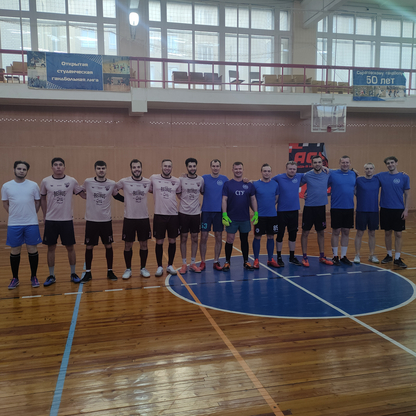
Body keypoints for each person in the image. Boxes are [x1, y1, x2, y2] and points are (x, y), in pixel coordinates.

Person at [40, 157, 84, 286]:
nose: (58, 166)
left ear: (64, 167)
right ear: (52, 167)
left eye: (60, 164)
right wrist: (45, 215)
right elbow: (42, 198)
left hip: (66, 220)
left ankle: (73, 273)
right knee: (51, 247)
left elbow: (83, 195)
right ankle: (51, 275)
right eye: (56, 164)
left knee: (70, 247)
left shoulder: (72, 181)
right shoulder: (45, 181)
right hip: (51, 220)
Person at [2, 161, 42, 289]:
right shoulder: (6, 186)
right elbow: (5, 203)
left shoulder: (33, 185)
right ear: (14, 169)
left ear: (26, 171)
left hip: (31, 223)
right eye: (19, 168)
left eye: (24, 169)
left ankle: (34, 276)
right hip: (14, 224)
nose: (21, 171)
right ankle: (15, 278)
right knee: (15, 250)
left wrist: (31, 214)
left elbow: (38, 202)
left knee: (32, 249)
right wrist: (14, 214)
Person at [116, 159, 152, 279]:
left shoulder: (148, 182)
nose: (136, 169)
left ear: (141, 168)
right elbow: (113, 191)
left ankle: (143, 268)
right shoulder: (124, 181)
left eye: (138, 167)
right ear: (131, 169)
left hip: (144, 218)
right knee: (128, 244)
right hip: (129, 218)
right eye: (134, 167)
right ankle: (128, 269)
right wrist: (124, 200)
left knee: (144, 244)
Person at [222, 162, 258, 271]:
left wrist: (256, 212)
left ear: (243, 170)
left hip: (245, 218)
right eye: (236, 169)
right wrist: (224, 214)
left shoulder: (249, 184)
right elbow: (224, 199)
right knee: (230, 239)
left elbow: (253, 199)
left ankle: (246, 261)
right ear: (232, 170)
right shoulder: (227, 184)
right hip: (231, 218)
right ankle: (227, 262)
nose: (238, 170)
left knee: (244, 239)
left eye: (240, 169)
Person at [149, 159, 181, 276]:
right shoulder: (153, 178)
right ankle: (159, 267)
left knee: (172, 240)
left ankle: (170, 265)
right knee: (159, 241)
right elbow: (149, 189)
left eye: (169, 166)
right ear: (161, 167)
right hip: (159, 215)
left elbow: (179, 194)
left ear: (172, 168)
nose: (167, 168)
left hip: (173, 215)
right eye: (165, 166)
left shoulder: (176, 181)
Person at [300, 155, 333, 267]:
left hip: (321, 207)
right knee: (305, 232)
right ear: (311, 164)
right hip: (309, 207)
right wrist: (301, 195)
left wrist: (353, 170)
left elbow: (341, 171)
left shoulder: (327, 173)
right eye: (315, 162)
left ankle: (322, 256)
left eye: (319, 162)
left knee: (321, 232)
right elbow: (295, 184)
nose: (317, 164)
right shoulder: (307, 175)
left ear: (322, 163)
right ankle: (304, 257)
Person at [378, 156, 410, 268]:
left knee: (398, 234)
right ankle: (389, 255)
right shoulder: (381, 176)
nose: (390, 164)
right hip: (385, 209)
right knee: (387, 233)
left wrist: (406, 209)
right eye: (388, 163)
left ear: (396, 163)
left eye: (392, 162)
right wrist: (353, 171)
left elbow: (407, 194)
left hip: (398, 209)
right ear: (386, 165)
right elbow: (368, 176)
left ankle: (397, 258)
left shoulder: (404, 177)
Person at [200, 159, 228, 271]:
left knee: (219, 236)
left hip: (219, 212)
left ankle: (216, 261)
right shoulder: (204, 178)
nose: (215, 168)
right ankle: (203, 261)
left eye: (217, 166)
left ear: (220, 167)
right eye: (213, 166)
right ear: (210, 167)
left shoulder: (225, 179)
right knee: (203, 237)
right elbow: (201, 190)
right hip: (206, 212)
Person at [272, 161, 303, 266]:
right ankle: (279, 257)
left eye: (294, 169)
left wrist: (326, 168)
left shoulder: (299, 176)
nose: (292, 171)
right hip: (282, 211)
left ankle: (292, 256)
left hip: (294, 211)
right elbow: (266, 181)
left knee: (293, 234)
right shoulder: (278, 177)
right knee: (280, 234)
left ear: (296, 170)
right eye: (290, 169)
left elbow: (314, 173)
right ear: (286, 169)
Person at [328, 156, 356, 266]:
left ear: (350, 163)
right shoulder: (332, 174)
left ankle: (343, 256)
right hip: (336, 207)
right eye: (343, 162)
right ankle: (335, 256)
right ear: (339, 163)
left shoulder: (353, 174)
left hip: (349, 207)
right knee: (336, 231)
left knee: (346, 232)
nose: (345, 164)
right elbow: (322, 184)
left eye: (347, 162)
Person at [178, 158, 204, 274]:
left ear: (196, 167)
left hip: (195, 214)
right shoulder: (181, 179)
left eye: (194, 166)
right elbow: (178, 193)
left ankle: (193, 263)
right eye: (190, 166)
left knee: (194, 238)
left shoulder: (201, 180)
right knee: (183, 238)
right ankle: (184, 263)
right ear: (187, 167)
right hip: (183, 213)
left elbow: (202, 191)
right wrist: (185, 201)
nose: (192, 168)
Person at [252, 164, 280, 269]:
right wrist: (255, 211)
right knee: (257, 237)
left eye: (268, 171)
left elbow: (276, 198)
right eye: (265, 171)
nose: (267, 173)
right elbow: (252, 199)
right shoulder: (255, 184)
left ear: (271, 172)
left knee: (271, 236)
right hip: (260, 216)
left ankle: (270, 259)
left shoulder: (275, 184)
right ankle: (256, 259)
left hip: (272, 215)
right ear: (261, 172)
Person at [354, 163, 380, 264]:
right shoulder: (359, 180)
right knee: (359, 233)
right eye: (367, 168)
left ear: (373, 170)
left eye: (371, 168)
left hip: (374, 211)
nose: (369, 170)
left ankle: (372, 255)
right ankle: (357, 254)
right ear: (364, 170)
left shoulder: (378, 180)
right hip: (361, 210)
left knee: (372, 233)